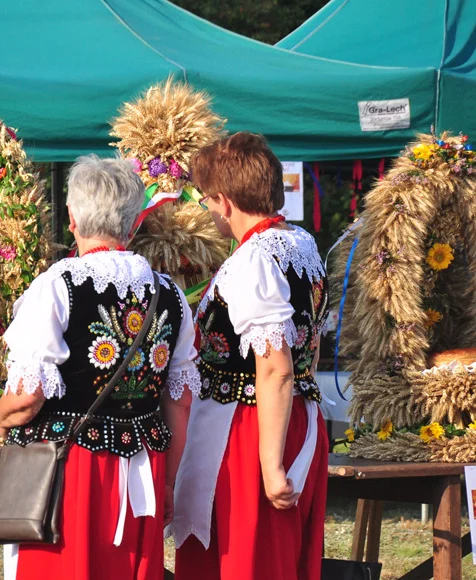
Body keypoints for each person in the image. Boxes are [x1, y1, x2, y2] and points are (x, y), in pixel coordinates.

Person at [0, 155, 200, 580]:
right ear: (132, 222)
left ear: (72, 217)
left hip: (70, 472)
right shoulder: (170, 294)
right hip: (144, 468)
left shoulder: (57, 285)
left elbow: (26, 397)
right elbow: (180, 400)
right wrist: (168, 483)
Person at [171, 132, 329, 580]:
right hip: (294, 416)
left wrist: (271, 464)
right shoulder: (301, 243)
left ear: (224, 201)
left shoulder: (256, 261)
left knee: (249, 560)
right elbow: (308, 349)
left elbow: (276, 369)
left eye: (206, 200)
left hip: (251, 429)